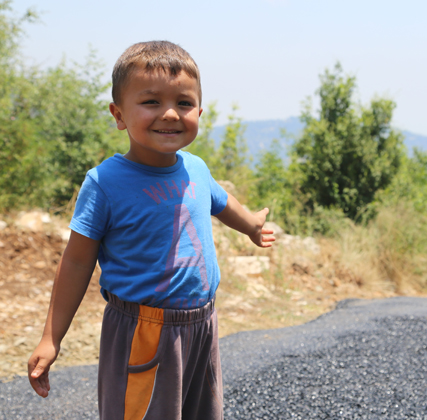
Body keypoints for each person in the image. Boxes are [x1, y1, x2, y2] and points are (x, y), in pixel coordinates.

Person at [27, 41, 274, 419]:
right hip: (142, 331)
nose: (171, 114)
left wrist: (252, 226)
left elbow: (222, 203)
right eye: (152, 102)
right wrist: (51, 338)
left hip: (202, 324)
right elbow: (76, 263)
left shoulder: (196, 168)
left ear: (200, 112)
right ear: (119, 113)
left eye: (184, 103)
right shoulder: (105, 183)